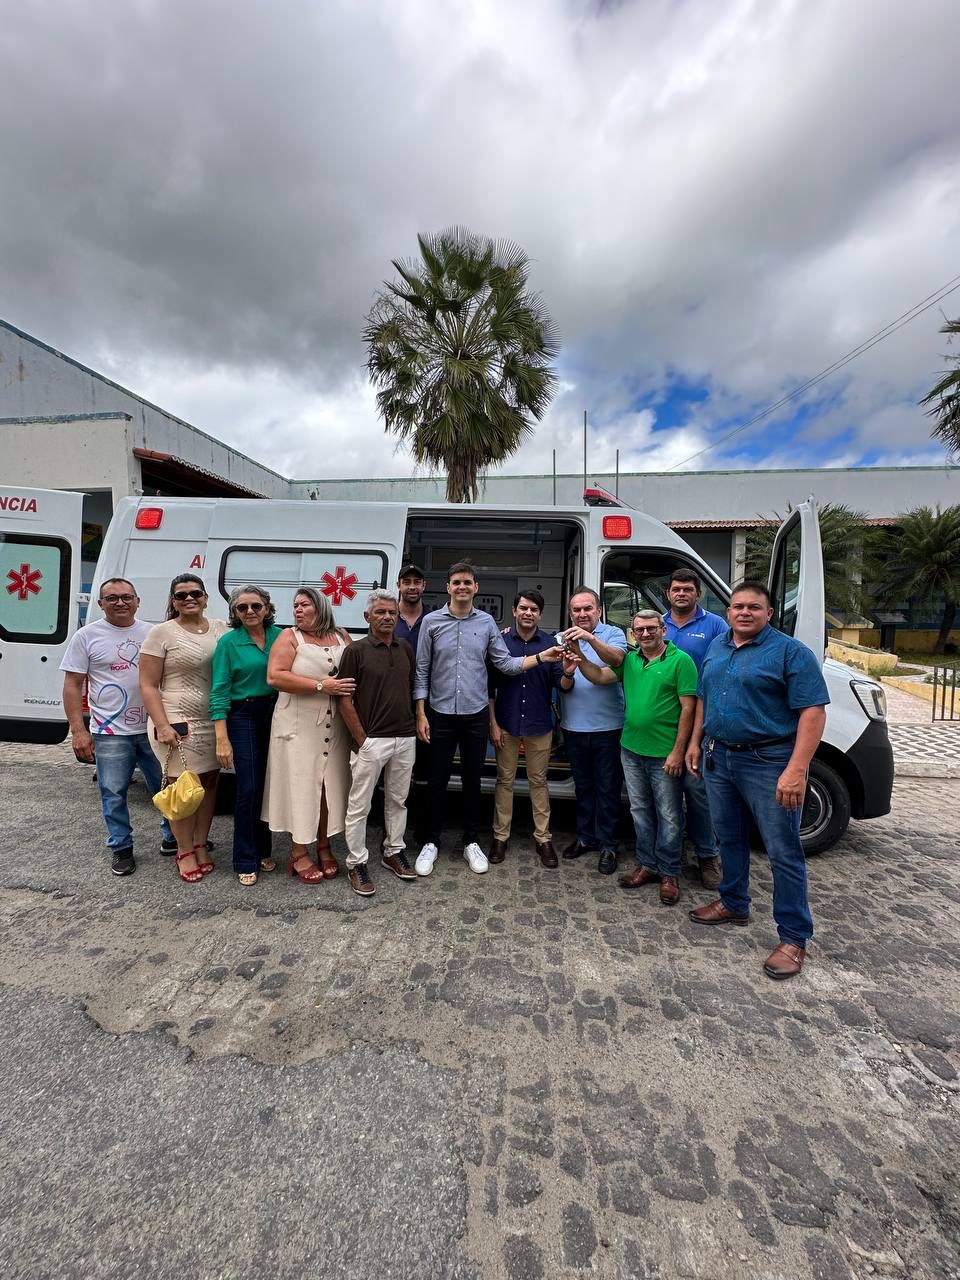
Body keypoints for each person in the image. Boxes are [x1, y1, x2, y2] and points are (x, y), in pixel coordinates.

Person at [685, 580, 829, 981]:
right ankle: (733, 901)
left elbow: (813, 713)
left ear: (768, 613)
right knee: (728, 836)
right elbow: (703, 700)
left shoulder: (789, 652)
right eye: (737, 606)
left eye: (753, 607)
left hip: (769, 761)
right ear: (728, 612)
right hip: (720, 757)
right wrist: (696, 743)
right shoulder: (718, 647)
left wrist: (797, 769)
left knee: (783, 851)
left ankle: (793, 937)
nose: (744, 612)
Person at [413, 562, 563, 876]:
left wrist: (540, 657)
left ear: (476, 587)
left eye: (467, 582)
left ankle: (471, 841)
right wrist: (420, 712)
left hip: (475, 715)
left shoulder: (487, 624)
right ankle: (431, 841)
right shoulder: (431, 622)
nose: (462, 587)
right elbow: (421, 670)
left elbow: (505, 665)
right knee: (437, 780)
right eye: (456, 582)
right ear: (449, 587)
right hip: (439, 714)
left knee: (472, 780)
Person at [571, 610, 697, 905]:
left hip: (665, 753)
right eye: (638, 630)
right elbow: (600, 676)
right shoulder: (630, 659)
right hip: (631, 748)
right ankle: (647, 865)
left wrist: (678, 751)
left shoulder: (682, 661)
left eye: (650, 628)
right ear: (633, 634)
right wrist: (581, 657)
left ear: (663, 629)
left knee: (669, 815)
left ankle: (669, 873)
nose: (644, 634)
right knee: (640, 811)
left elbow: (689, 710)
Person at [60, 577, 174, 876]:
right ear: (101, 604)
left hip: (152, 727)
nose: (120, 602)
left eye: (126, 597)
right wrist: (78, 730)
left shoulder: (153, 633)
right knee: (113, 793)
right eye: (112, 598)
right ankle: (121, 847)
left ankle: (173, 838)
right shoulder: (86, 636)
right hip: (109, 732)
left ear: (138, 601)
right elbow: (72, 685)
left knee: (166, 787)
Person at [139, 575, 228, 883]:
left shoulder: (221, 628)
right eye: (181, 595)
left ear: (205, 597)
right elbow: (148, 685)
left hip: (212, 718)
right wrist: (162, 725)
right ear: (173, 601)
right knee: (182, 788)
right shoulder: (161, 633)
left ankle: (202, 844)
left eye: (195, 593)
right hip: (176, 721)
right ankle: (184, 850)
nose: (189, 598)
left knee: (208, 784)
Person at [262, 587, 355, 883]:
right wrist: (320, 685)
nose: (297, 610)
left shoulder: (341, 634)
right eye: (295, 605)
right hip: (297, 725)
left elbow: (357, 667)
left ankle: (325, 846)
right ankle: (299, 851)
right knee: (302, 787)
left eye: (304, 604)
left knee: (330, 788)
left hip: (335, 725)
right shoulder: (289, 637)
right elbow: (275, 676)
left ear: (320, 606)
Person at [338, 589, 419, 896]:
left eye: (392, 613)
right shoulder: (356, 652)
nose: (387, 617)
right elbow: (344, 699)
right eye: (381, 612)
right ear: (367, 617)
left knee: (398, 800)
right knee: (360, 805)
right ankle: (356, 862)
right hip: (372, 741)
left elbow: (410, 690)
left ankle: (393, 851)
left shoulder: (405, 648)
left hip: (404, 737)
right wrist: (362, 739)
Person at [210, 585, 283, 886]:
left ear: (267, 608)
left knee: (268, 786)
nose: (250, 612)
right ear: (234, 613)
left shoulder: (281, 636)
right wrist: (221, 737)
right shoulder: (229, 643)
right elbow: (219, 691)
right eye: (242, 608)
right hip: (244, 715)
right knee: (249, 788)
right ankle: (244, 857)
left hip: (276, 713)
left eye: (256, 606)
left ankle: (264, 848)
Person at [488, 590, 563, 868]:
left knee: (539, 782)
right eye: (523, 608)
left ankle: (543, 839)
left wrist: (568, 672)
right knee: (504, 781)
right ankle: (500, 836)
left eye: (533, 609)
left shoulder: (551, 643)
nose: (528, 613)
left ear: (540, 614)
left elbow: (562, 686)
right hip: (506, 724)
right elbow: (490, 688)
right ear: (514, 611)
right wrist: (493, 724)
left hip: (539, 725)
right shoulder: (501, 641)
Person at [662, 568, 728, 890]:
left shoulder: (716, 626)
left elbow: (725, 668)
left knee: (697, 792)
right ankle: (666, 859)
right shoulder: (658, 626)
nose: (681, 593)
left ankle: (707, 856)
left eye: (688, 589)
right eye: (676, 588)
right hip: (662, 726)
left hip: (698, 723)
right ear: (668, 593)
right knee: (665, 796)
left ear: (697, 594)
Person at [558, 587, 627, 875]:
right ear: (570, 613)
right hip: (574, 727)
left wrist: (589, 638)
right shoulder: (561, 639)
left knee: (608, 788)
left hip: (608, 727)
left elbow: (616, 660)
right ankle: (586, 837)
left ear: (598, 610)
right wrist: (567, 672)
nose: (582, 614)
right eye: (577, 610)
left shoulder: (614, 634)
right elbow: (564, 686)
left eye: (588, 608)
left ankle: (609, 844)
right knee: (583, 787)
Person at [394, 563, 430, 842]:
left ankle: (420, 828)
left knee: (423, 768)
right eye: (407, 581)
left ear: (424, 587)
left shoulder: (433, 620)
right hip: (392, 705)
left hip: (428, 706)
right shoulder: (387, 618)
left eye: (417, 582)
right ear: (399, 586)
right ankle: (390, 830)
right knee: (393, 770)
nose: (412, 586)